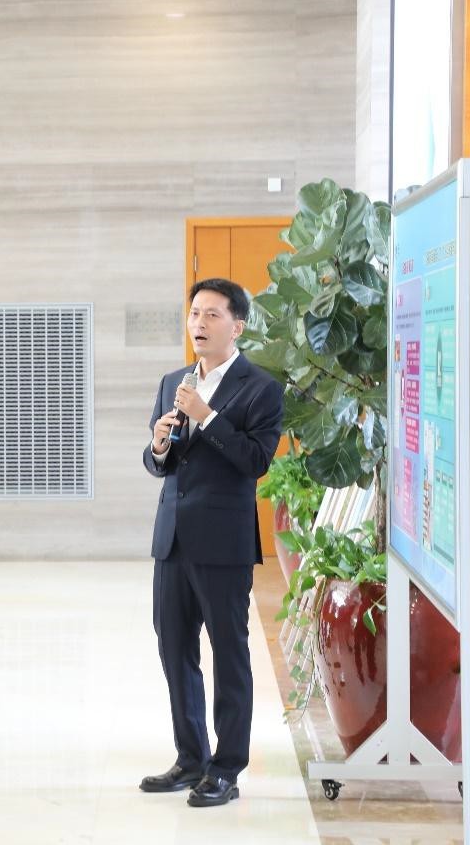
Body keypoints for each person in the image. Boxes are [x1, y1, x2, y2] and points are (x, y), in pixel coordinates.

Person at [140, 278, 283, 808]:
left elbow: (255, 461)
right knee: (174, 648)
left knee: (229, 653)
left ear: (237, 326)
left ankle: (226, 768)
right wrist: (158, 446)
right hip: (173, 540)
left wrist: (208, 417)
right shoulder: (172, 382)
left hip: (223, 544)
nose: (198, 323)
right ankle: (190, 757)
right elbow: (161, 463)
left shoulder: (260, 388)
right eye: (194, 313)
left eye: (212, 315)